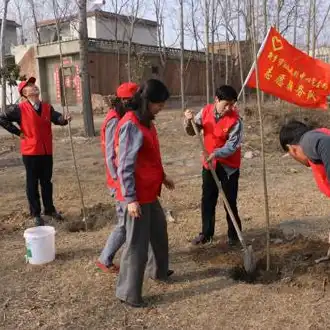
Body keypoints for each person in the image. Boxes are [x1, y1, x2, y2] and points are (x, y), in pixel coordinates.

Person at [115, 79, 175, 308]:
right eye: (159, 103)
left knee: (159, 232)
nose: (162, 107)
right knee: (137, 245)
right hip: (136, 196)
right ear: (147, 101)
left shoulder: (147, 122)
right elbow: (125, 165)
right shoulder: (130, 124)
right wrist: (130, 199)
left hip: (150, 192)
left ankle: (158, 272)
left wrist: (163, 176)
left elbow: (151, 157)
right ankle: (128, 293)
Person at [0, 77, 71, 226]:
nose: (34, 87)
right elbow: (2, 118)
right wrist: (18, 132)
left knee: (47, 182)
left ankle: (50, 209)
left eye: (34, 85)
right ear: (24, 93)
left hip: (46, 151)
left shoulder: (46, 107)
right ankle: (36, 213)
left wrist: (64, 119)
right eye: (30, 86)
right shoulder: (19, 109)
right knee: (32, 183)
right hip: (31, 151)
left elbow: (56, 118)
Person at [184, 85, 243, 246]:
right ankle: (206, 233)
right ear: (216, 100)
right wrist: (188, 121)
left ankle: (234, 235)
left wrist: (216, 153)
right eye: (226, 104)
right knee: (208, 199)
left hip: (228, 166)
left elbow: (232, 146)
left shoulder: (235, 121)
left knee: (229, 201)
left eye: (232, 104)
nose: (230, 108)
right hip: (209, 164)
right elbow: (192, 131)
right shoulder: (205, 112)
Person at [96, 82, 139, 273]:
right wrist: (119, 180)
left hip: (120, 180)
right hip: (119, 182)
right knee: (124, 224)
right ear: (124, 101)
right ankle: (105, 259)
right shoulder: (114, 120)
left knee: (128, 224)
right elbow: (111, 155)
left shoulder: (119, 117)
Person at [279, 119, 330, 197]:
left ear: (292, 149)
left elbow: (324, 142)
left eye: (292, 156)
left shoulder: (308, 140)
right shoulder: (314, 143)